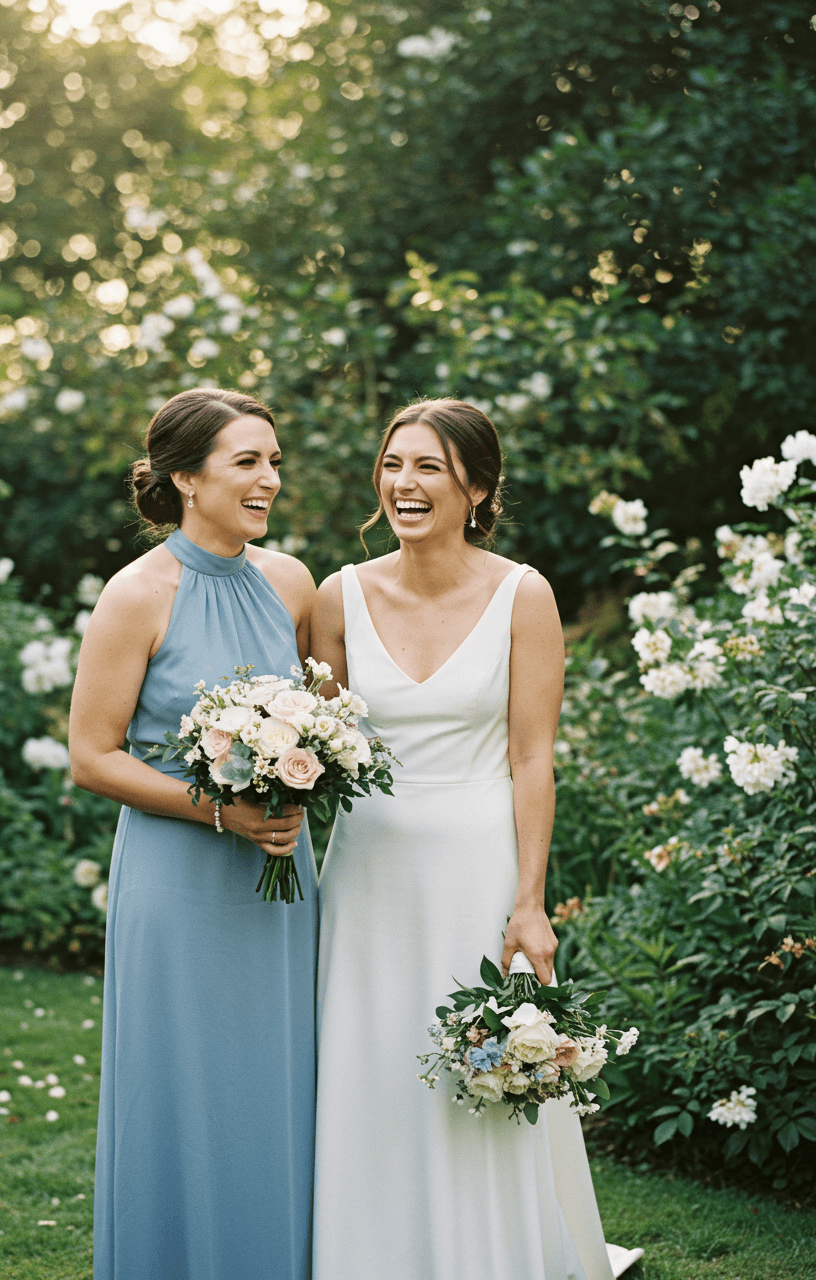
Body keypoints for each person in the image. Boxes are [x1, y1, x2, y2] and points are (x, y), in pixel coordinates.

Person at [311, 399, 638, 1280]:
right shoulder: (337, 593)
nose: (404, 485)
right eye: (392, 464)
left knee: (485, 1067)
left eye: (429, 468)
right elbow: (323, 744)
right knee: (371, 1059)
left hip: (476, 864)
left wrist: (529, 902)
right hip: (368, 868)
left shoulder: (521, 593)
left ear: (477, 488)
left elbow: (533, 758)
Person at [69, 388, 318, 1280]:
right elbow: (92, 756)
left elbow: (323, 719)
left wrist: (306, 772)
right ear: (186, 476)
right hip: (179, 877)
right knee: (181, 1086)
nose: (269, 480)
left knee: (274, 1083)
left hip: (281, 877)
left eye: (275, 461)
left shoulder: (292, 582)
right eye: (248, 462)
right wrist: (220, 810)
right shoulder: (136, 595)